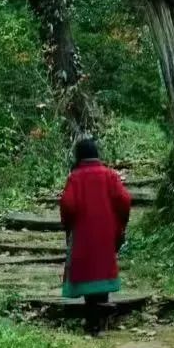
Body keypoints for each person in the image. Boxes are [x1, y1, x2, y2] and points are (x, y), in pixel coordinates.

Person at [59, 137, 132, 335]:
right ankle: (101, 314)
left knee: (88, 271)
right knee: (103, 268)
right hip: (107, 231)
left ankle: (92, 319)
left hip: (83, 233)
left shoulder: (75, 177)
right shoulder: (109, 175)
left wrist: (69, 223)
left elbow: (67, 204)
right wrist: (121, 222)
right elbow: (124, 200)